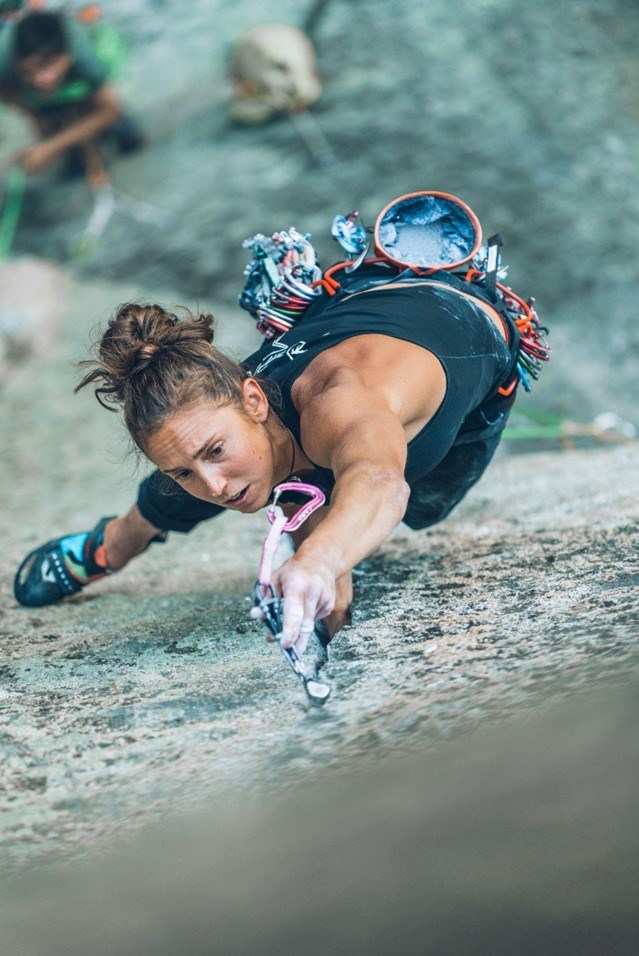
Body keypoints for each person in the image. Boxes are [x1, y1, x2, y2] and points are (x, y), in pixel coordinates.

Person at [14, 265, 524, 657]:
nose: (212, 485)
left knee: (416, 506)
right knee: (248, 466)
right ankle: (111, 545)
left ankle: (320, 574)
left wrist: (319, 560)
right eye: (185, 471)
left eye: (214, 452)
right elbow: (206, 456)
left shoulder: (342, 398)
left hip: (467, 319)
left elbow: (379, 480)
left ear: (256, 398)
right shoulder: (236, 401)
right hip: (348, 313)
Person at [0, 8, 143, 187]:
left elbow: (110, 111)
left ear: (67, 58)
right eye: (29, 71)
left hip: (86, 70)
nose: (39, 79)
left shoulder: (88, 55)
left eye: (46, 66)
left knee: (126, 134)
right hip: (30, 86)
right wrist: (36, 121)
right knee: (66, 146)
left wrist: (49, 148)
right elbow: (6, 91)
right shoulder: (4, 63)